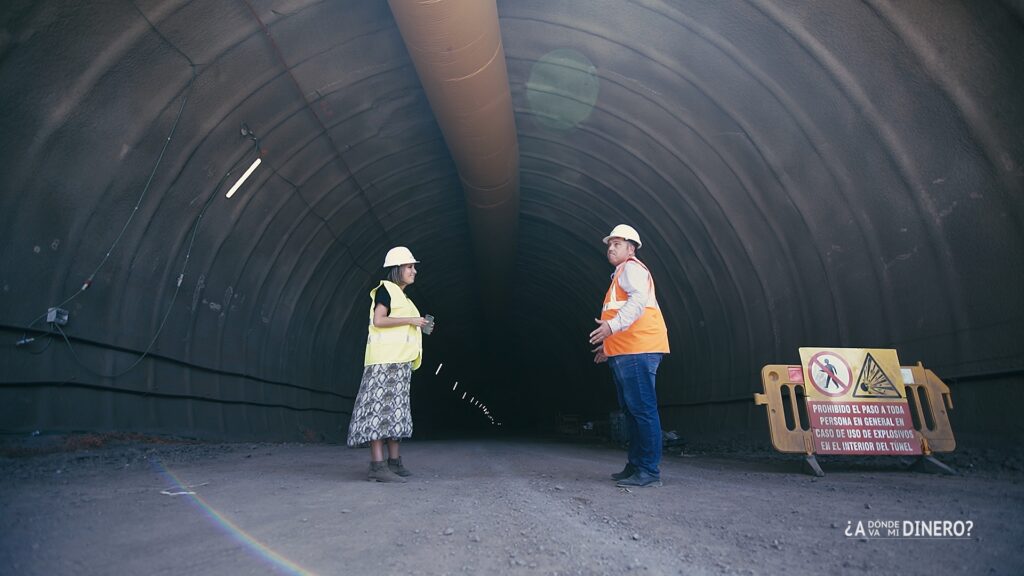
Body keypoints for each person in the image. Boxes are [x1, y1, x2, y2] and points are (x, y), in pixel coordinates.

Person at [588, 224, 670, 488]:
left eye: (617, 244)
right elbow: (624, 313)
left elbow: (636, 303)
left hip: (639, 349)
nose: (611, 248)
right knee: (632, 412)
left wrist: (610, 327)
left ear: (631, 248)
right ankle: (635, 465)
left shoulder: (632, 268)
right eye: (609, 245)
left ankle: (648, 470)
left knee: (642, 410)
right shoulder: (620, 274)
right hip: (626, 349)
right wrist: (607, 346)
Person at [347, 246, 429, 482]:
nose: (414, 271)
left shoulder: (404, 297)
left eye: (413, 267)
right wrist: (412, 320)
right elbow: (379, 320)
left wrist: (419, 325)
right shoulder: (385, 290)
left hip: (399, 361)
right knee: (378, 412)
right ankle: (377, 465)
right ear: (397, 269)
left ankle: (394, 462)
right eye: (410, 267)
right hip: (382, 363)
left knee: (396, 413)